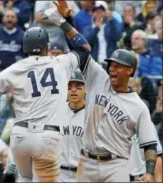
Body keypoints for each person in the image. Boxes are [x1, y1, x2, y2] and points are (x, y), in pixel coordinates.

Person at [0, 1, 91, 182]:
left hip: (21, 136)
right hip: (48, 136)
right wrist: (62, 22)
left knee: (24, 180)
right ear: (47, 47)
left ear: (24, 47)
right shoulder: (60, 62)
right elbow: (84, 49)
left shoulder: (16, 68)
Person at [75, 48, 158, 182]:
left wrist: (149, 172)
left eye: (117, 66)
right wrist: (65, 26)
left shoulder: (139, 106)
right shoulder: (99, 79)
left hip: (116, 165)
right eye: (111, 65)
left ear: (130, 70)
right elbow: (82, 53)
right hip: (86, 161)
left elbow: (150, 145)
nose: (112, 69)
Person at [59, 71, 86, 182]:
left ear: (86, 89)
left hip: (84, 175)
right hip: (59, 174)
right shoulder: (56, 111)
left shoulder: (93, 115)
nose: (73, 90)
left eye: (78, 86)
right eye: (69, 87)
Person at [83, 1, 122, 66]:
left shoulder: (111, 26)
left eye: (101, 11)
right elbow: (87, 42)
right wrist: (97, 28)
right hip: (94, 64)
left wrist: (111, 21)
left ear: (105, 13)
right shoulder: (88, 29)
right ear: (92, 13)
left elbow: (118, 37)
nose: (99, 14)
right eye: (96, 12)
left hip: (110, 63)